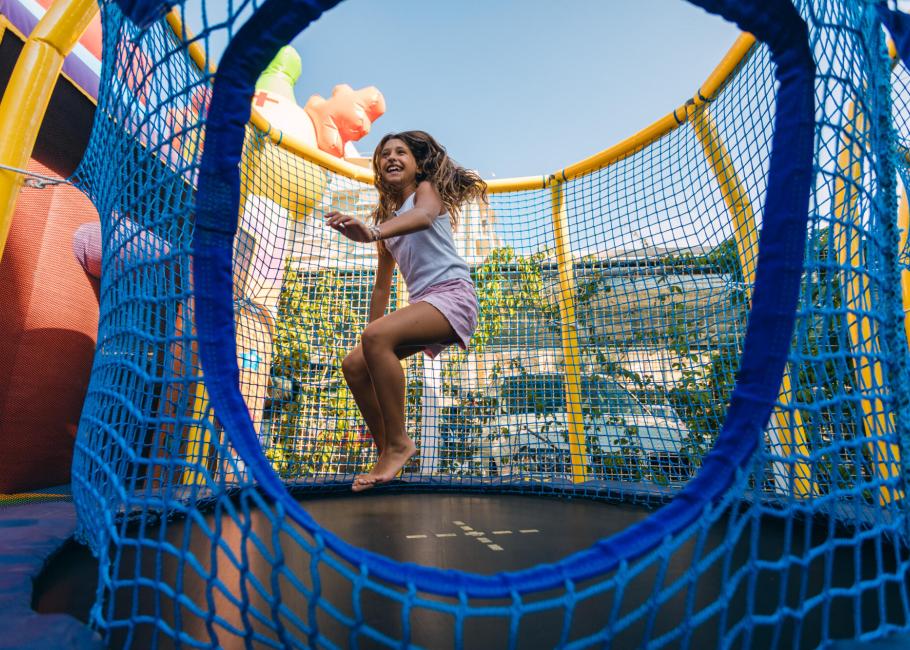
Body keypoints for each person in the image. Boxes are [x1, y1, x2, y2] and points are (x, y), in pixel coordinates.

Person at [325, 130, 486, 492]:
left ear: (417, 165)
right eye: (385, 154)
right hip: (426, 305)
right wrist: (369, 344)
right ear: (379, 168)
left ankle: (398, 444)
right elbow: (382, 286)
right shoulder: (387, 219)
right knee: (354, 365)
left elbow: (426, 217)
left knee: (376, 337)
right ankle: (389, 455)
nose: (392, 157)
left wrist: (371, 232)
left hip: (453, 297)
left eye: (401, 152)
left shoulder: (424, 193)